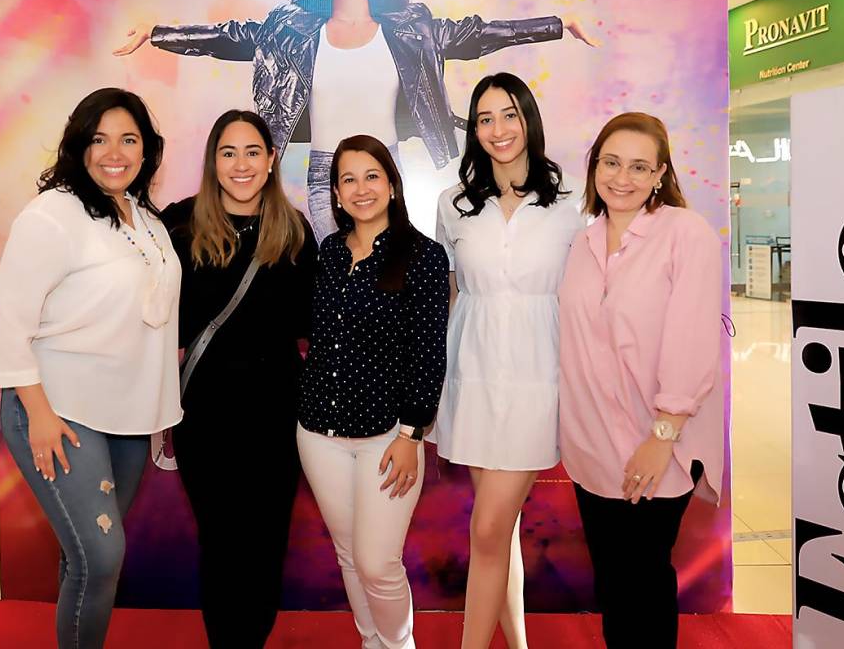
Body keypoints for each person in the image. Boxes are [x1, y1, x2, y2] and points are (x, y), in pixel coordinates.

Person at [114, 0, 598, 242]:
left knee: (388, 273)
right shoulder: (291, 31)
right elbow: (230, 36)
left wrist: (557, 24)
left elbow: (479, 32)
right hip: (325, 171)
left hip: (386, 166)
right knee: (338, 273)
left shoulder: (413, 28)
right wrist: (159, 33)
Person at [0, 88, 181, 649]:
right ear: (79, 145)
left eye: (129, 139)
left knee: (88, 557)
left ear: (147, 149)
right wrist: (40, 416)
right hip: (58, 410)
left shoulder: (144, 217)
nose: (114, 152)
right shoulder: (54, 214)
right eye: (99, 139)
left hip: (125, 415)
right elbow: (8, 320)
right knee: (100, 555)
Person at [558, 112, 724, 649]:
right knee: (613, 581)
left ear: (660, 174)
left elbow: (694, 341)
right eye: (611, 162)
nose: (622, 178)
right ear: (594, 168)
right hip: (591, 449)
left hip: (654, 448)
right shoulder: (582, 243)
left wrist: (662, 436)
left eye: (638, 166)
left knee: (645, 580)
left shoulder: (684, 232)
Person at [434, 73, 584, 649]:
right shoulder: (453, 203)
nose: (498, 130)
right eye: (484, 118)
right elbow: (448, 295)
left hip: (536, 376)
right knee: (503, 531)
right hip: (469, 374)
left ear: (529, 119)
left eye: (509, 115)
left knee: (489, 528)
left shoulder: (572, 201)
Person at [161, 109, 317, 648]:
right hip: (204, 417)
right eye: (228, 152)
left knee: (267, 543)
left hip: (276, 417)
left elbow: (311, 327)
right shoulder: (179, 228)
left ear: (272, 159)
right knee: (223, 543)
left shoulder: (294, 232)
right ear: (213, 162)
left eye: (253, 151)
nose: (241, 164)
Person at [297, 134, 449, 649]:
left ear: (391, 183)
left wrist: (411, 433)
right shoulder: (330, 252)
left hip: (388, 437)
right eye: (348, 179)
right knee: (347, 552)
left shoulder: (424, 256)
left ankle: (398, 645)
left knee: (378, 561)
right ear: (336, 193)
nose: (360, 189)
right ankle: (371, 641)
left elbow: (430, 354)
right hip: (318, 430)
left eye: (371, 176)